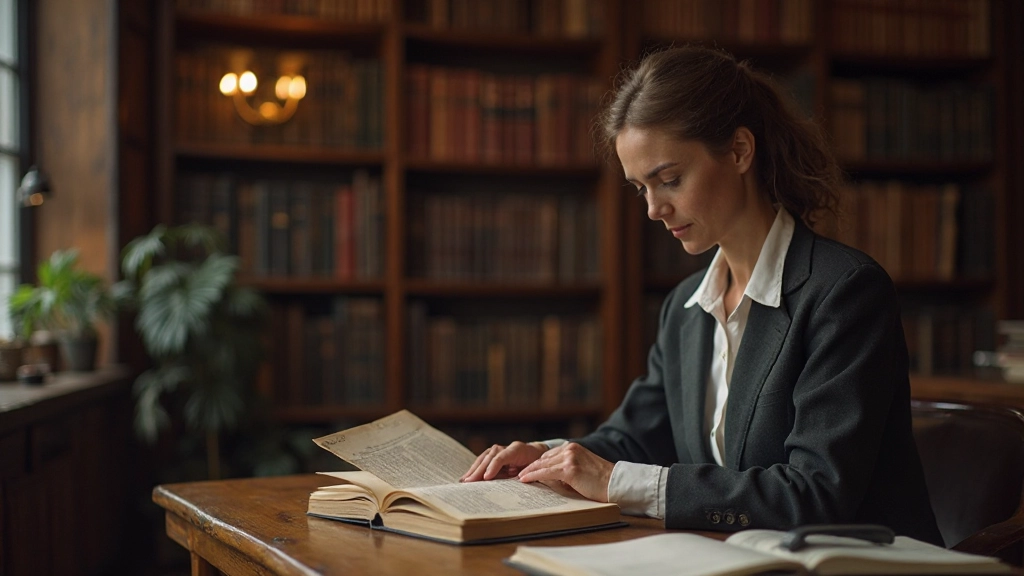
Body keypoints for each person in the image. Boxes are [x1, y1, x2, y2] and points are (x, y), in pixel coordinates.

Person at [461, 45, 943, 545]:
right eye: (640, 188)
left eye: (668, 179)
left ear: (739, 151)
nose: (653, 209)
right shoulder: (686, 307)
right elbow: (632, 439)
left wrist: (613, 482)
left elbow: (815, 492)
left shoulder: (844, 291)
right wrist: (546, 456)